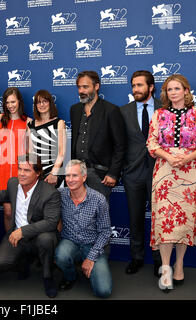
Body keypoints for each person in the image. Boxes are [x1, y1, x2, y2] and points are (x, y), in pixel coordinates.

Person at [147, 74, 196, 292]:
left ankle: (179, 264)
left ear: (186, 90)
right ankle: (165, 268)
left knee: (184, 222)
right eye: (169, 89)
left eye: (177, 88)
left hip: (190, 173)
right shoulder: (158, 114)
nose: (173, 93)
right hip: (165, 172)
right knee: (166, 222)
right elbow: (151, 144)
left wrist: (187, 157)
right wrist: (168, 156)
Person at [0, 153, 61, 298]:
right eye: (20, 169)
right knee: (0, 263)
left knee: (46, 239)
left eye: (27, 170)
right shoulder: (13, 184)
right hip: (16, 235)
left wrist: (23, 231)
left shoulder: (50, 193)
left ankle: (48, 277)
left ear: (37, 173)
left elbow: (51, 222)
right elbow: (0, 196)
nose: (21, 174)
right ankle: (23, 263)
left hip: (38, 235)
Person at [120, 71, 162, 276]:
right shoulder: (124, 111)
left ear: (151, 87)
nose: (135, 89)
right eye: (133, 85)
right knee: (135, 218)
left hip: (161, 172)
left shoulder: (165, 109)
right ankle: (136, 258)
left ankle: (159, 260)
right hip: (132, 173)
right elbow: (119, 144)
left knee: (160, 219)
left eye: (139, 85)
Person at [55, 160, 112, 298]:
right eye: (67, 176)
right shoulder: (60, 194)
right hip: (70, 242)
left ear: (84, 177)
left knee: (103, 291)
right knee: (60, 255)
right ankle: (71, 276)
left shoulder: (98, 199)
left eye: (74, 175)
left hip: (93, 245)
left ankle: (90, 265)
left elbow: (105, 232)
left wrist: (91, 258)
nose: (70, 179)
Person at [70, 71, 126, 201]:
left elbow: (120, 146)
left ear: (96, 86)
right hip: (78, 172)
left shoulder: (111, 110)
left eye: (85, 87)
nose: (81, 91)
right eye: (79, 87)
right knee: (79, 213)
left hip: (100, 174)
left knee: (99, 214)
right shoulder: (75, 110)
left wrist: (113, 173)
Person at [0, 87, 31, 231]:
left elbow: (29, 150)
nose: (10, 105)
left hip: (20, 170)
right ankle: (9, 243)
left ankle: (23, 243)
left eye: (13, 102)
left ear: (19, 102)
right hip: (3, 170)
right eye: (7, 102)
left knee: (23, 212)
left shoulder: (28, 122)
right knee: (8, 212)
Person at [28, 90, 66, 188]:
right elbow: (31, 152)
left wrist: (53, 174)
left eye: (44, 101)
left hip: (55, 173)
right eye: (38, 102)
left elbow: (62, 152)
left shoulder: (59, 123)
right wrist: (33, 173)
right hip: (37, 174)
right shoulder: (30, 125)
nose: (42, 105)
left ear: (50, 103)